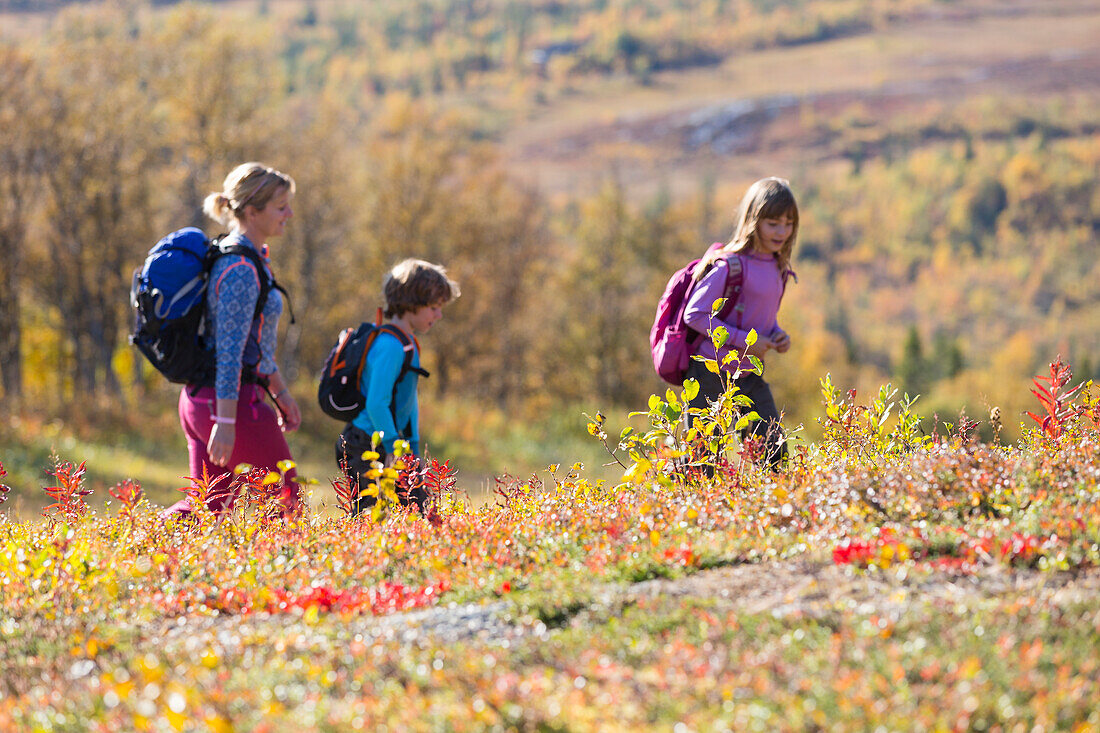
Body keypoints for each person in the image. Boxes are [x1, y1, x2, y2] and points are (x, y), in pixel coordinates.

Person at [162, 163, 303, 519]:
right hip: (228, 405)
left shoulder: (249, 257)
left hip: (204, 400)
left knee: (207, 512)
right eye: (280, 205)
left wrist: (281, 394)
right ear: (252, 211)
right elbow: (229, 351)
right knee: (285, 501)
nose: (289, 213)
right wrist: (225, 422)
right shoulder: (240, 268)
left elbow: (257, 345)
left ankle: (141, 552)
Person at [683, 176, 798, 470]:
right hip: (710, 372)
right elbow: (694, 315)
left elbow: (762, 319)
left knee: (774, 456)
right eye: (773, 223)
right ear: (753, 220)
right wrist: (745, 340)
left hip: (747, 374)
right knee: (702, 464)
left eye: (788, 223)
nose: (782, 231)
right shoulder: (729, 265)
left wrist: (777, 335)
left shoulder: (778, 268)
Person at [335, 258, 460, 517]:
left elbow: (409, 399)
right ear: (412, 303)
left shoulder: (408, 344)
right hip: (364, 444)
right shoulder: (390, 346)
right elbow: (376, 403)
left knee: (421, 509)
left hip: (393, 442)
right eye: (434, 307)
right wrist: (394, 446)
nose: (439, 315)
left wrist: (411, 447)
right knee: (369, 516)